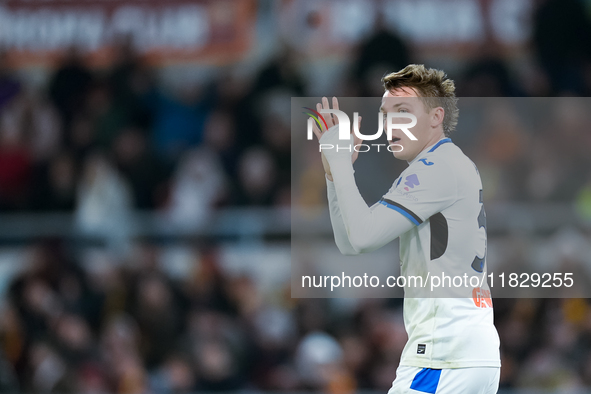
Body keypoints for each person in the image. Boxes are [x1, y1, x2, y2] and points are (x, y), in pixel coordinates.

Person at [312, 64, 500, 393]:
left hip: (443, 355)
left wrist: (340, 160)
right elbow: (350, 243)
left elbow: (363, 236)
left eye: (403, 111)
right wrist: (334, 174)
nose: (390, 124)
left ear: (435, 117)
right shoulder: (449, 164)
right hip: (467, 353)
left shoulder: (434, 167)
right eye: (385, 114)